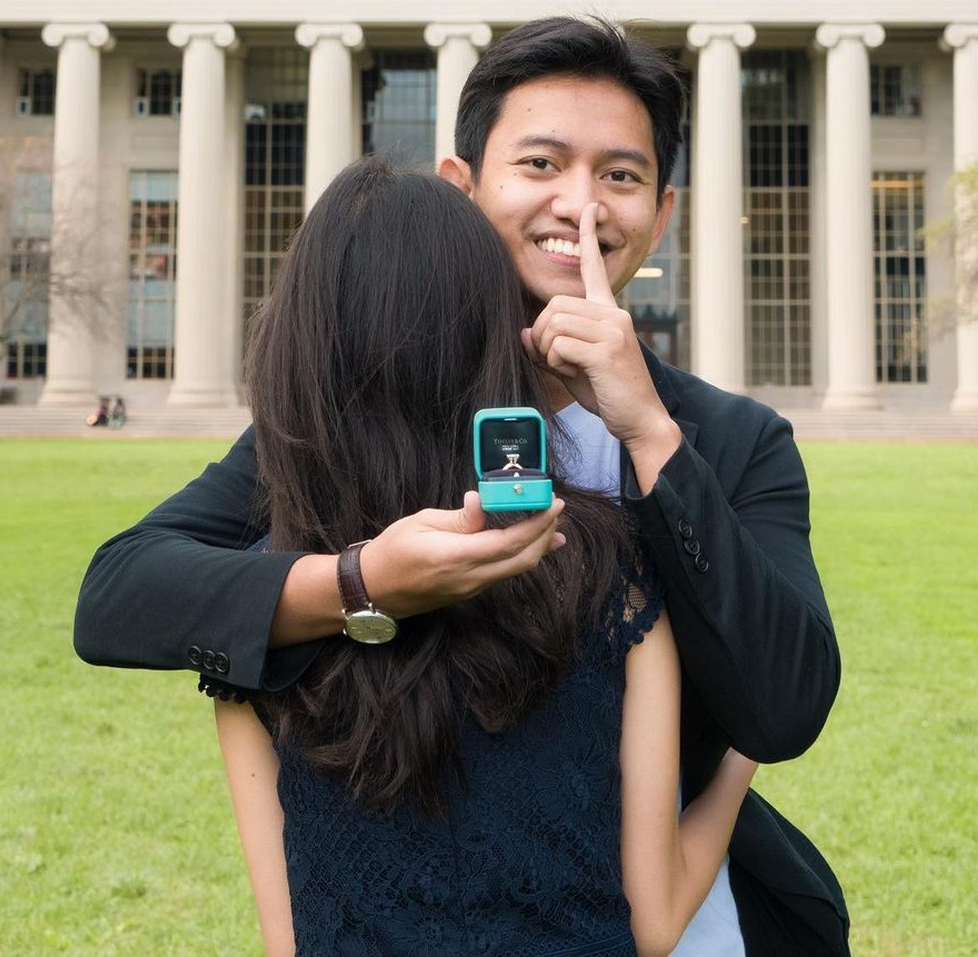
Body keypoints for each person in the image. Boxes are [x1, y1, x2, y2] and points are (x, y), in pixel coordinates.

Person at [75, 16, 848, 954]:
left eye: (621, 175)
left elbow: (784, 708)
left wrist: (648, 432)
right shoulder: (362, 421)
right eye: (541, 165)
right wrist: (361, 583)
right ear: (463, 188)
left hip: (661, 904)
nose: (582, 206)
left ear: (664, 211)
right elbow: (120, 595)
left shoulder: (728, 443)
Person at [212, 155, 757, 955]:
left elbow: (287, 939)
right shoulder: (610, 572)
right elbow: (654, 923)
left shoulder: (261, 608)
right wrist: (745, 750)